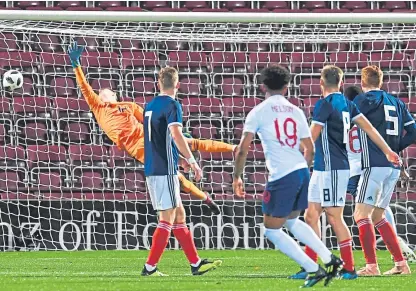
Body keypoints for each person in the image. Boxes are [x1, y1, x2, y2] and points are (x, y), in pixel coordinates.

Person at [67, 41, 236, 215]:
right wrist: (76, 64)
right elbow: (84, 87)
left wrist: (169, 131)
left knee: (189, 143)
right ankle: (204, 197)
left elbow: (151, 120)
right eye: (100, 93)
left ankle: (232, 148)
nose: (101, 93)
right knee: (176, 177)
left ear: (114, 95)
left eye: (106, 91)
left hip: (150, 137)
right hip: (139, 148)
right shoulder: (98, 107)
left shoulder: (129, 106)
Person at [233, 64, 343, 288]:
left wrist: (237, 176)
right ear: (286, 87)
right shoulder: (296, 110)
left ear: (263, 86)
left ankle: (313, 269)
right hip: (301, 171)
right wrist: (302, 169)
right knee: (292, 221)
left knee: (271, 230)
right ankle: (331, 259)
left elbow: (243, 148)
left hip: (282, 176)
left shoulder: (258, 112)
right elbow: (309, 148)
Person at [293, 65, 401, 280]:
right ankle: (311, 265)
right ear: (341, 83)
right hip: (323, 168)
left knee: (335, 218)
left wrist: (293, 155)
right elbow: (369, 129)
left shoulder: (324, 104)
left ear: (321, 83)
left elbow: (312, 136)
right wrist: (388, 150)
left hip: (333, 168)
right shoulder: (348, 104)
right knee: (311, 215)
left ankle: (349, 267)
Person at [142, 66, 221, 276]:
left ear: (158, 83)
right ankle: (149, 268)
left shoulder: (149, 106)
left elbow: (160, 142)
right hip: (164, 171)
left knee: (179, 216)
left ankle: (195, 264)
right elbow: (176, 135)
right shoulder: (172, 105)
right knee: (167, 219)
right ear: (177, 85)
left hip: (154, 167)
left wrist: (180, 162)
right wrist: (192, 161)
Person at [353, 65, 416, 275]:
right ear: (381, 82)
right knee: (378, 215)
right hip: (393, 167)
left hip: (375, 164)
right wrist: (395, 148)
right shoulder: (397, 102)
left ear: (362, 84)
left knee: (361, 214)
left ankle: (371, 266)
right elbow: (413, 131)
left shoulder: (363, 100)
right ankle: (401, 264)